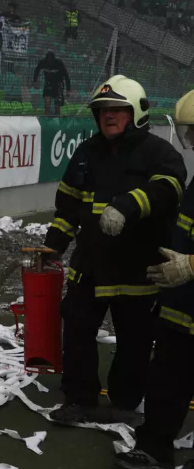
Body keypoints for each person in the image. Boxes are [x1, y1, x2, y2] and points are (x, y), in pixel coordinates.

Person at [43, 76, 186, 425]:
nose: (108, 116)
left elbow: (168, 188)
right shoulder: (85, 153)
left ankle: (124, 402)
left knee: (135, 343)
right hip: (90, 266)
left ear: (136, 112)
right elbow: (68, 208)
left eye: (117, 110)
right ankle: (79, 400)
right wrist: (52, 247)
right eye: (102, 111)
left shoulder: (159, 153)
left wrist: (127, 205)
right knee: (76, 332)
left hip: (138, 269)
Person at [115, 88, 194, 469]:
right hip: (181, 306)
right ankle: (155, 448)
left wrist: (192, 265)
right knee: (166, 380)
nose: (193, 142)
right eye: (191, 134)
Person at [33, 50, 71, 116]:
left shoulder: (59, 63)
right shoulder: (43, 62)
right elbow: (37, 70)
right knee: (47, 106)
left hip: (59, 84)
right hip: (48, 83)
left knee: (57, 106)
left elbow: (66, 76)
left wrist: (68, 89)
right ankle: (47, 120)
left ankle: (56, 120)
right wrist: (35, 81)